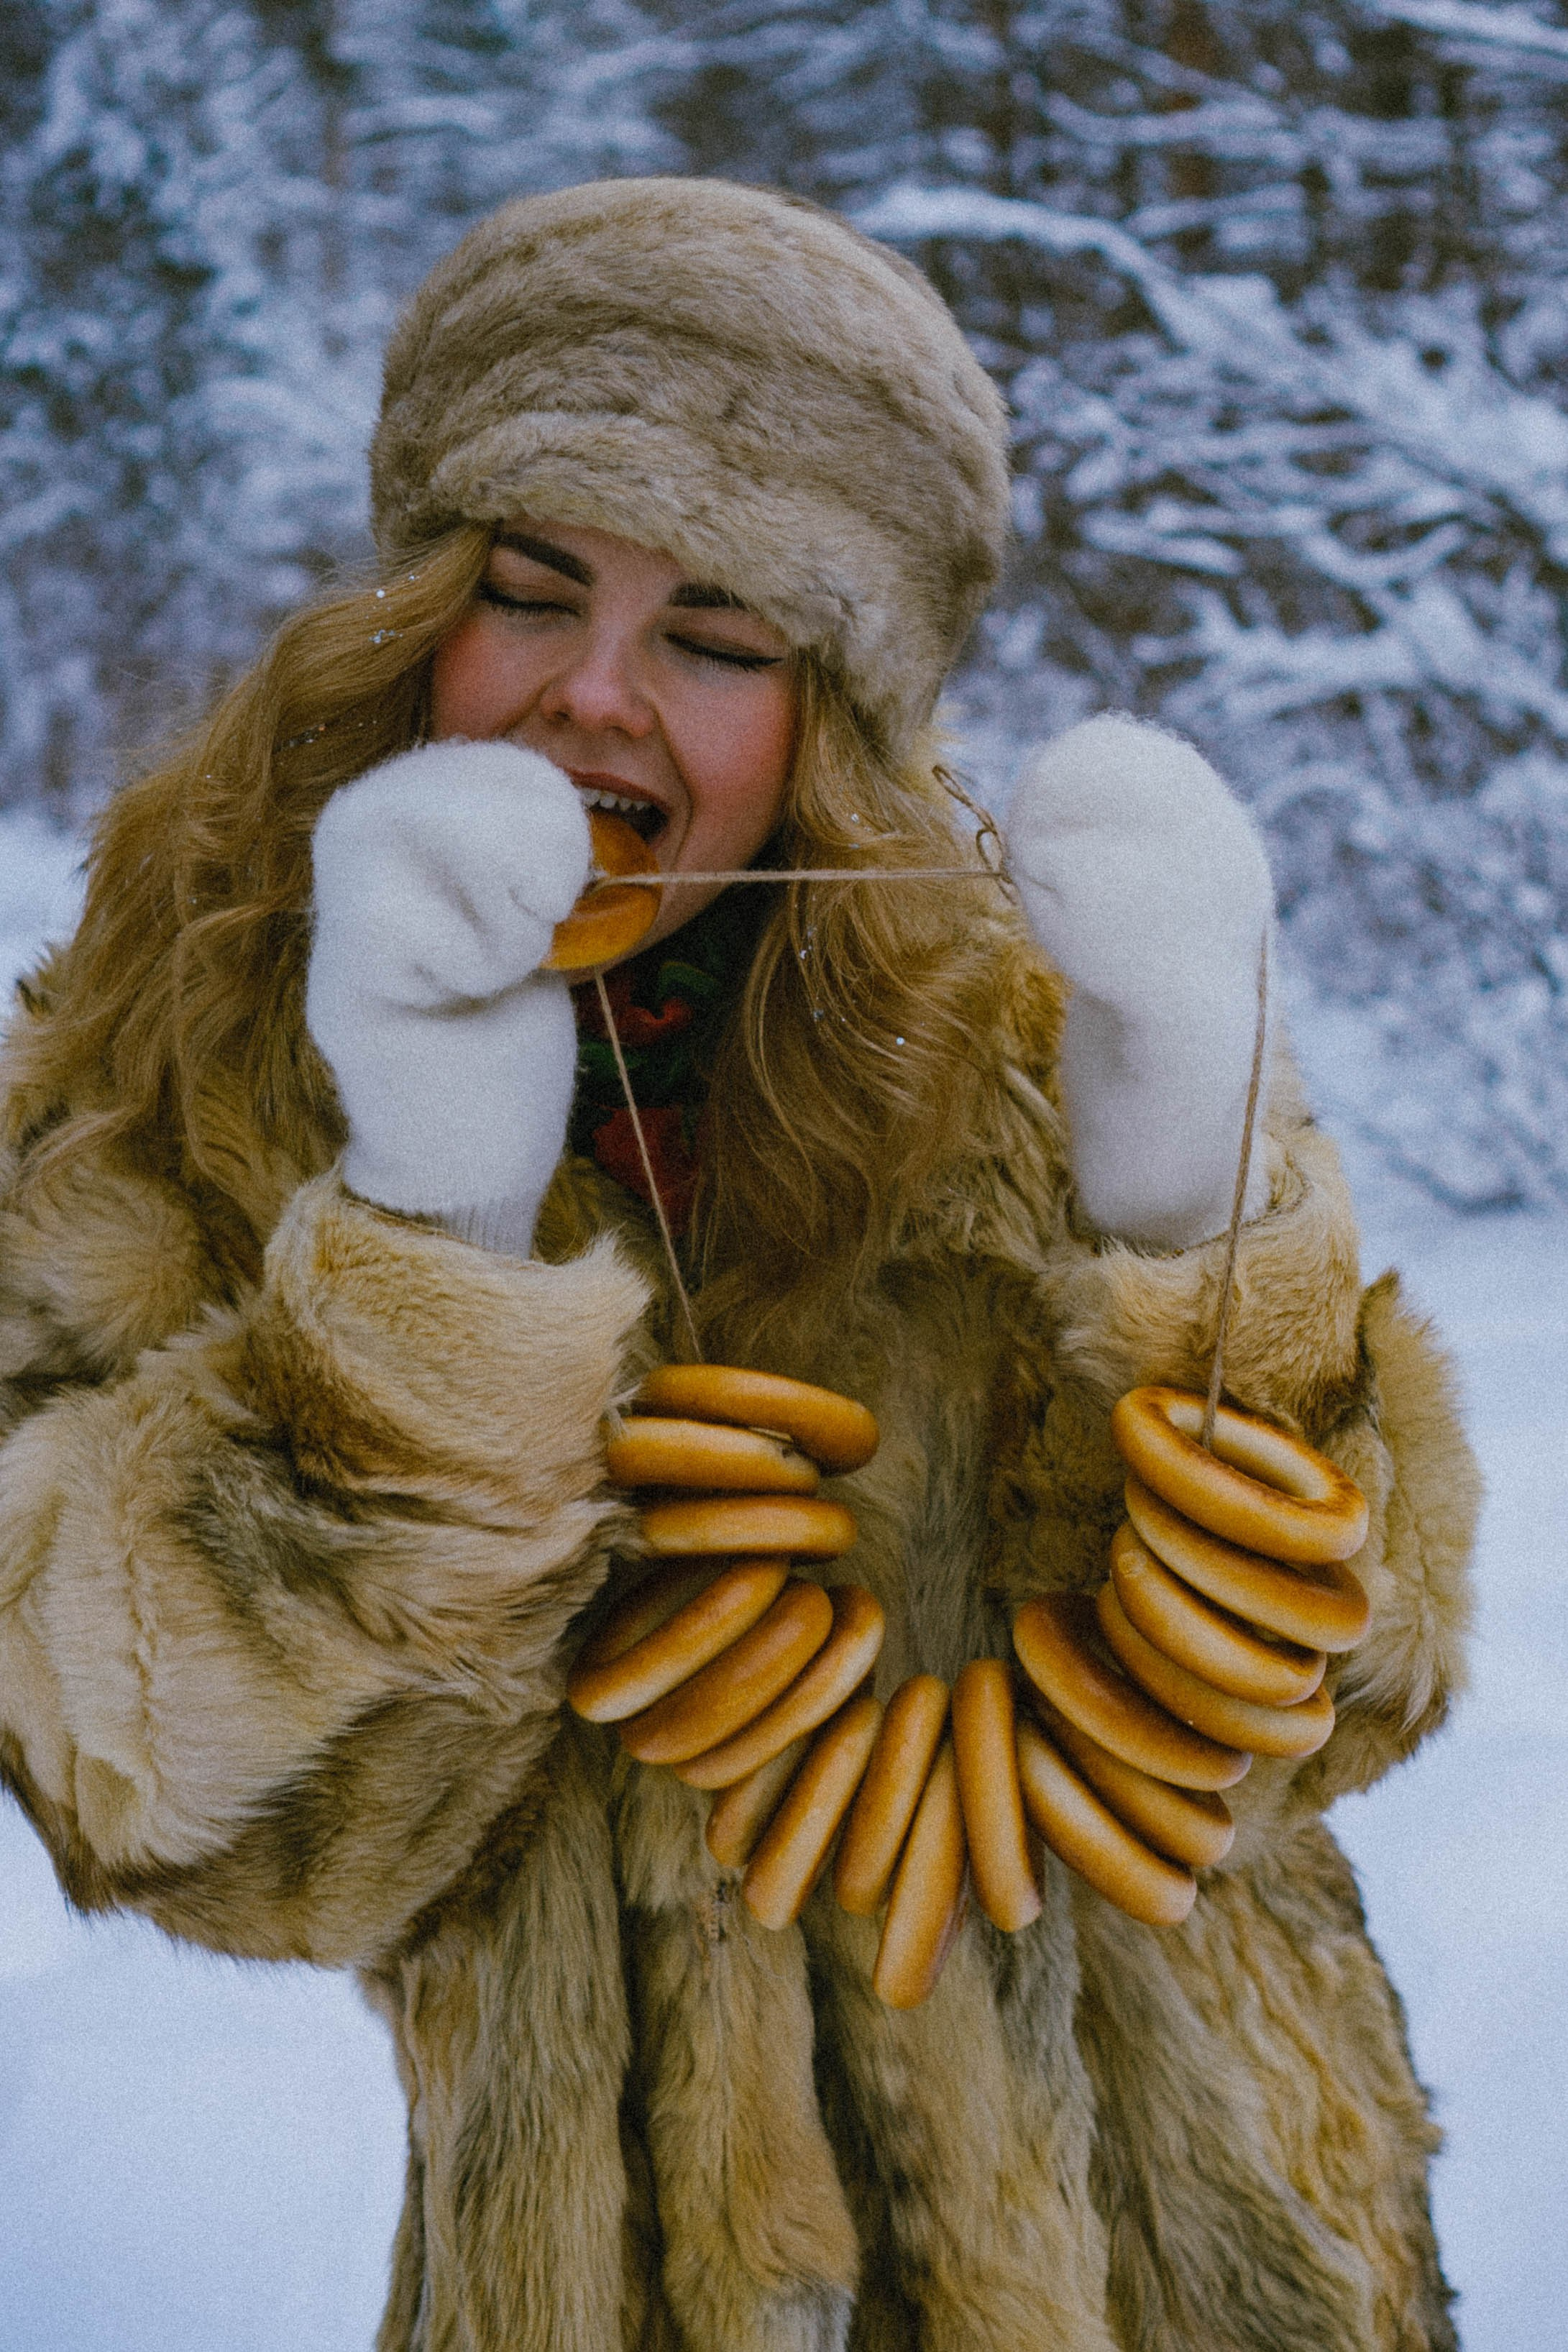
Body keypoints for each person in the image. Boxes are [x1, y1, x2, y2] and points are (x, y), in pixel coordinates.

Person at [0, 178, 1476, 2351]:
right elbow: (172, 1806)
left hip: (1227, 2255)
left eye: (714, 639)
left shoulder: (1030, 1030)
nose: (596, 701)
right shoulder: (174, 1075)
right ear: (413, 606)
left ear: (834, 715)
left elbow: (1341, 1694)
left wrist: (1190, 1181)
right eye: (531, 593)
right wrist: (429, 1241)